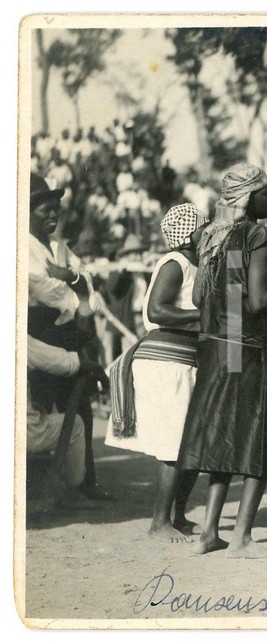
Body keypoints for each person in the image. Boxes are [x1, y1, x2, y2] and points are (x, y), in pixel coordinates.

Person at [177, 163, 267, 558]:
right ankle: (242, 538)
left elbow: (199, 298)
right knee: (259, 436)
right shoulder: (258, 235)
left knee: (225, 435)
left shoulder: (213, 236)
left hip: (218, 347)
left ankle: (209, 532)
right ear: (248, 198)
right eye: (265, 193)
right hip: (248, 347)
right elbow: (259, 301)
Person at [105, 204, 205, 542]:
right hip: (165, 362)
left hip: (183, 360)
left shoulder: (194, 264)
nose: (207, 232)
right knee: (173, 443)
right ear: (189, 234)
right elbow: (156, 311)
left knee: (190, 444)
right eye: (203, 228)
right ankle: (159, 522)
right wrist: (203, 317)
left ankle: (178, 517)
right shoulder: (175, 263)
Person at [27, 173, 111, 501]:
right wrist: (75, 288)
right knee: (40, 409)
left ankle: (86, 480)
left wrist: (71, 277)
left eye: (56, 210)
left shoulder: (60, 247)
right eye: (44, 210)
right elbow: (46, 292)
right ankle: (42, 486)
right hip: (38, 335)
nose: (53, 215)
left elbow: (88, 284)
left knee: (79, 405)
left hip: (66, 334)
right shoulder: (22, 247)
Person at [27, 336, 107, 509]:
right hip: (25, 434)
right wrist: (92, 365)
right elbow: (60, 361)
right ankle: (73, 492)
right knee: (75, 424)